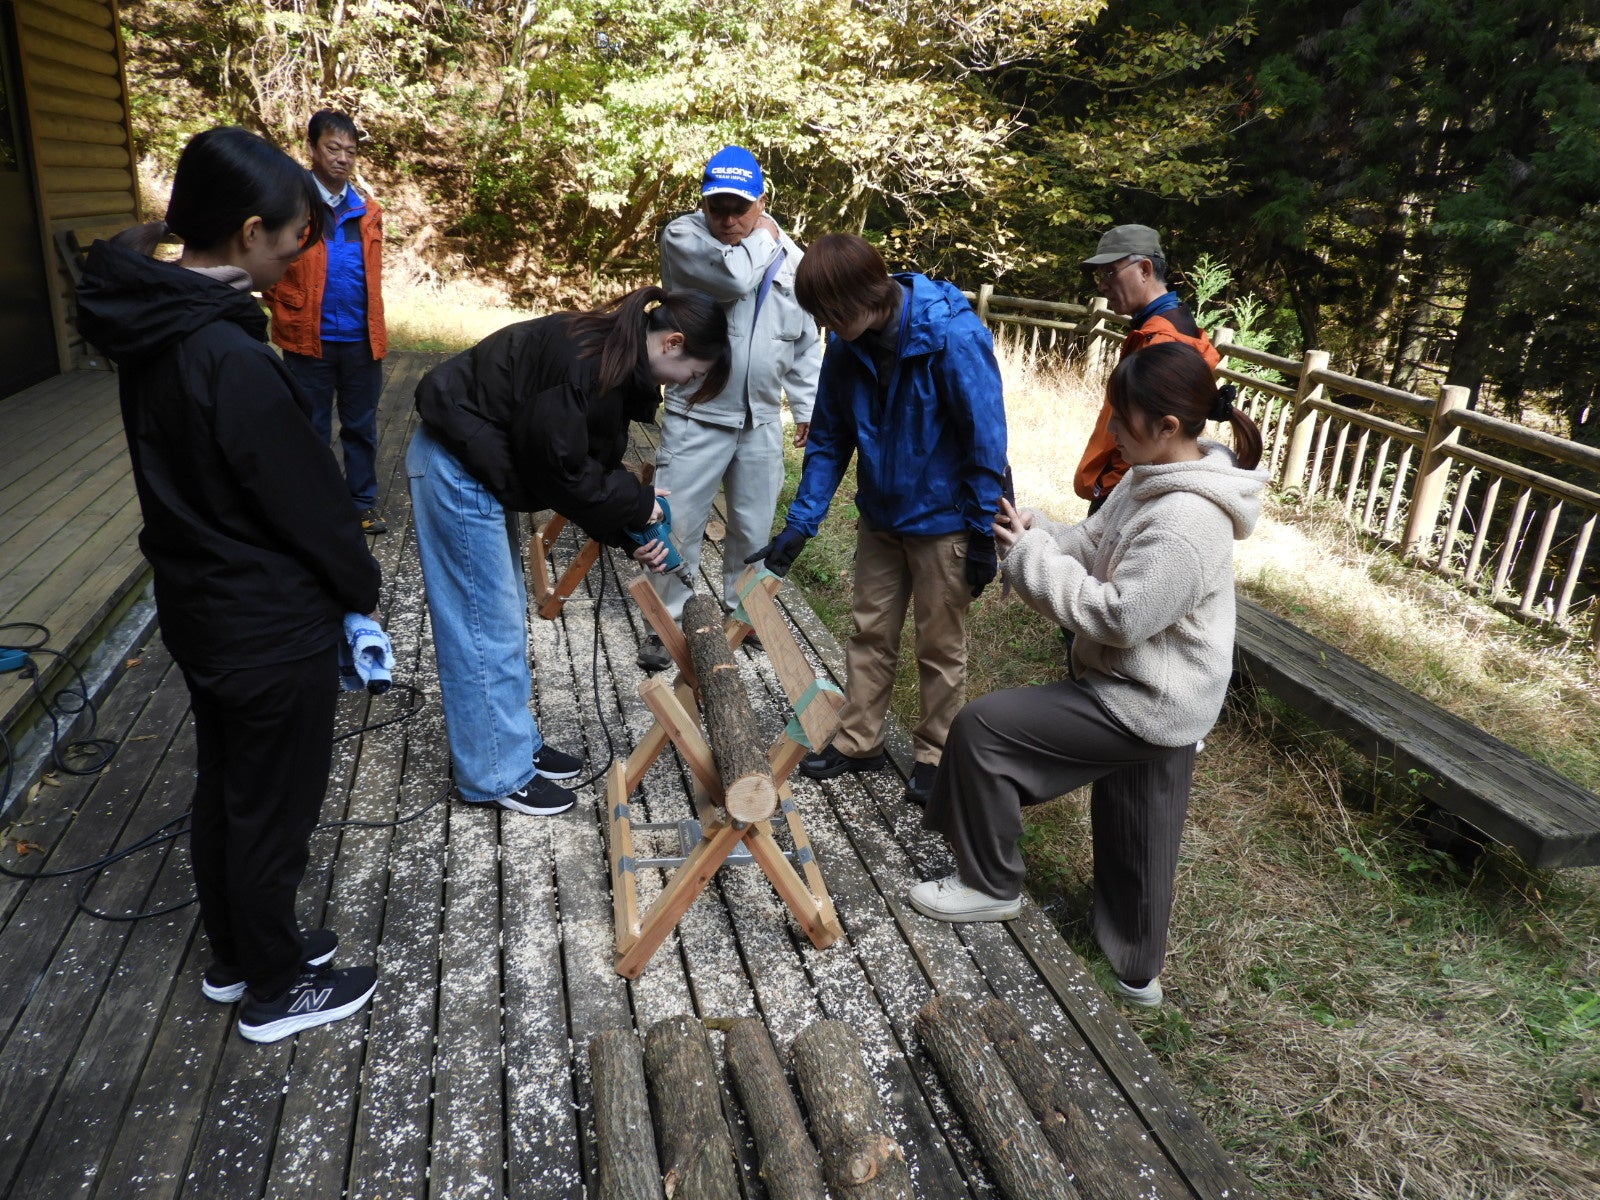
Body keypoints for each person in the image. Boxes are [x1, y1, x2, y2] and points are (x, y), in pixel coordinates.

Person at [76, 126, 383, 1043]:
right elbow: (308, 504)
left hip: (201, 603)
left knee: (229, 786)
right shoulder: (227, 355)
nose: (296, 258)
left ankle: (240, 952)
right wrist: (358, 586)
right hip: (262, 620)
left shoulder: (157, 321)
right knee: (272, 806)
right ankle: (277, 987)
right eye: (291, 240)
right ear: (250, 232)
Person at [912, 342, 1266, 1008]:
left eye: (1121, 420)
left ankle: (989, 885)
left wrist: (1031, 560)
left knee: (984, 730)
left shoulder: (1187, 519)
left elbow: (1120, 617)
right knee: (1142, 822)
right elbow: (1094, 541)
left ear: (1167, 425)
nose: (1111, 432)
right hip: (1167, 692)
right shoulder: (1154, 473)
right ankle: (1137, 970)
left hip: (1148, 696)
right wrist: (1038, 533)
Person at [409, 287, 730, 816]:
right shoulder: (583, 362)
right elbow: (559, 470)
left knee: (501, 618)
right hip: (456, 469)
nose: (683, 384)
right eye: (691, 373)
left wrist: (631, 530)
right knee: (483, 627)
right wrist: (639, 503)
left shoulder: (612, 359)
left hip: (481, 465)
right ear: (672, 343)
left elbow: (582, 464)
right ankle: (495, 770)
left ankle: (512, 742)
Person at [749, 234, 1007, 806]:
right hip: (881, 517)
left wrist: (981, 530)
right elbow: (829, 437)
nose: (826, 326)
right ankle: (860, 740)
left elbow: (985, 438)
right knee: (869, 632)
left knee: (939, 645)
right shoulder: (849, 345)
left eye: (831, 314)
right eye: (819, 316)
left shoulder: (952, 336)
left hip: (944, 521)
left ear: (866, 294)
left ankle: (935, 754)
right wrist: (801, 524)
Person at [636, 146, 821, 671]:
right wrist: (767, 237)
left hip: (759, 418)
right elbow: (736, 279)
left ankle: (746, 613)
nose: (728, 219)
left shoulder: (791, 257)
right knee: (677, 522)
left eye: (740, 208)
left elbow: (805, 340)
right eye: (717, 207)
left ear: (762, 201)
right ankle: (666, 624)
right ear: (703, 203)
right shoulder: (684, 236)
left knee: (753, 526)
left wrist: (806, 407)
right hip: (697, 412)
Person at [262, 109, 390, 534]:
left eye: (350, 151)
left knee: (361, 428)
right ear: (312, 149)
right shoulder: (290, 204)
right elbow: (268, 264)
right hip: (307, 339)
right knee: (310, 428)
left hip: (360, 340)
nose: (342, 158)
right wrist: (285, 306)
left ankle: (361, 504)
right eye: (333, 148)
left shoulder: (367, 211)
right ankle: (315, 507)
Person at [1075, 224, 1221, 514]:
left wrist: (1110, 487)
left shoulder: (1163, 340)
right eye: (1099, 276)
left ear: (1144, 269)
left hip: (1128, 490)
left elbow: (1148, 435)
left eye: (1110, 272)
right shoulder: (1167, 324)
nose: (1102, 285)